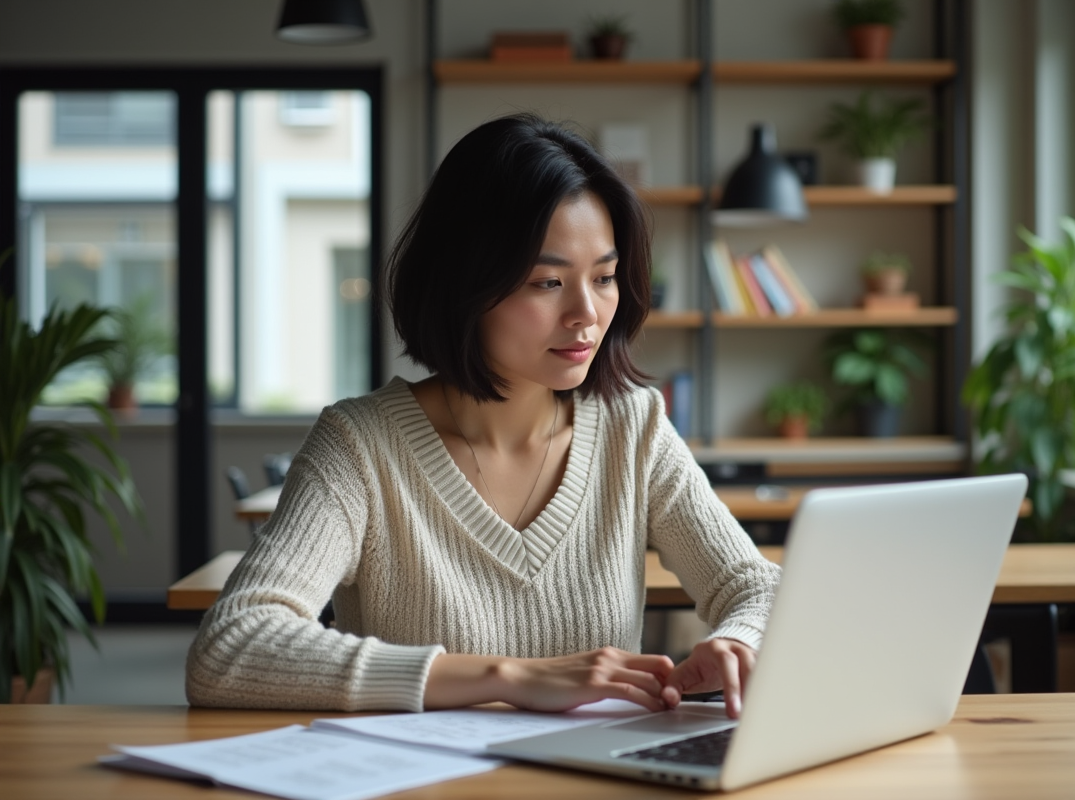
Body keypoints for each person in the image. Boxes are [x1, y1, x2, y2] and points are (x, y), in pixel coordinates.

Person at [186, 113, 780, 720]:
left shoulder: (634, 428)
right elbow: (231, 647)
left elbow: (758, 586)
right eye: (548, 282)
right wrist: (511, 678)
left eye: (604, 278)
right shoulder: (360, 446)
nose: (587, 314)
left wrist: (738, 641)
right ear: (466, 284)